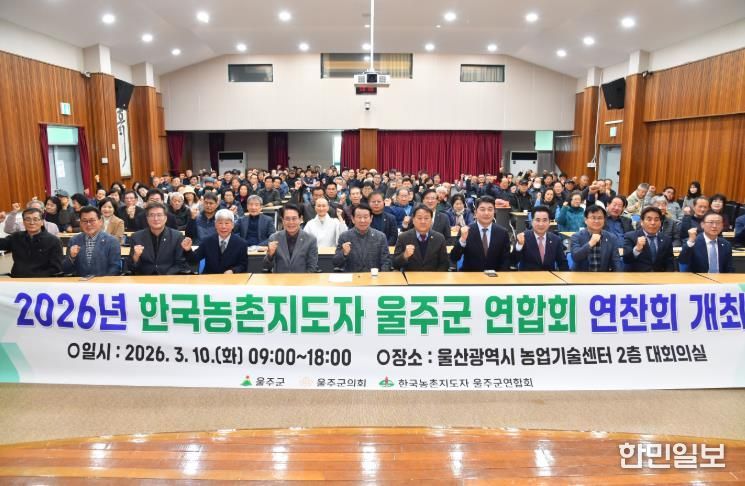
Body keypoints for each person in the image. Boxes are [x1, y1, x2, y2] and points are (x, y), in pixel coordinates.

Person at [449, 196, 511, 272]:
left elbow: (506, 261)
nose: (486, 213)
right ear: (475, 213)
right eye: (482, 209)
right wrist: (462, 240)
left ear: (494, 212)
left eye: (490, 209)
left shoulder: (502, 233)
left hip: (495, 276)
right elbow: (454, 258)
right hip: (470, 275)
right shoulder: (466, 231)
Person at [127, 202, 190, 275]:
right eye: (152, 215)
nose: (156, 219)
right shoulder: (136, 237)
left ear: (165, 218)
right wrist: (136, 257)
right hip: (145, 278)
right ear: (147, 218)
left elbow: (180, 263)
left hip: (169, 277)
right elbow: (130, 267)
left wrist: (165, 277)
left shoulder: (177, 236)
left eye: (159, 215)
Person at [0, 207, 63, 277]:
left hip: (42, 280)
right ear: (23, 222)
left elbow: (56, 269)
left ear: (42, 222)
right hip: (17, 279)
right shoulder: (16, 237)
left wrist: (34, 278)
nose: (31, 223)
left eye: (35, 219)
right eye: (28, 219)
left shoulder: (53, 241)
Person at [181, 209, 248, 274]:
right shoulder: (207, 241)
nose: (223, 227)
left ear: (233, 225)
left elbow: (243, 265)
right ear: (215, 225)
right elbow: (194, 261)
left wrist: (233, 271)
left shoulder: (241, 243)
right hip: (209, 278)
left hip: (231, 279)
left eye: (227, 223)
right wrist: (188, 250)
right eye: (220, 223)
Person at [63, 206, 121, 276]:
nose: (88, 224)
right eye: (84, 221)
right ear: (80, 223)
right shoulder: (74, 240)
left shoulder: (112, 241)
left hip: (103, 281)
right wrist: (71, 257)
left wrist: (104, 281)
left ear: (100, 222)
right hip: (79, 281)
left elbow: (115, 268)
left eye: (92, 220)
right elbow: (66, 270)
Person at [333, 204, 391, 272]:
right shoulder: (344, 236)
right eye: (359, 217)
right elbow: (336, 263)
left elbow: (386, 262)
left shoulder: (380, 237)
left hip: (374, 276)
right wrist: (343, 253)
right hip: (352, 276)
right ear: (353, 219)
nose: (362, 220)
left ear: (371, 218)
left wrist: (382, 276)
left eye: (365, 217)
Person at [263, 204, 319, 273]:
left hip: (302, 279)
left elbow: (312, 267)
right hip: (280, 279)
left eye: (294, 218)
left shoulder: (310, 239)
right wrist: (270, 255)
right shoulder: (274, 238)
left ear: (300, 219)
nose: (291, 222)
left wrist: (303, 279)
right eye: (287, 219)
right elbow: (266, 267)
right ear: (282, 220)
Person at [393, 205, 449, 272]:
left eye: (426, 218)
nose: (423, 221)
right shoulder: (403, 237)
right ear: (413, 220)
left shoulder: (439, 238)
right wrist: (404, 255)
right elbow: (395, 264)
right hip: (410, 277)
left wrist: (435, 277)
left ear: (431, 221)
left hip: (433, 277)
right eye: (419, 218)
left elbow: (444, 264)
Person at [512, 206, 569, 271]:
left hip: (549, 276)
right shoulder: (523, 237)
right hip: (527, 276)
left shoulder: (556, 239)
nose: (541, 224)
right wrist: (519, 245)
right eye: (538, 220)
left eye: (544, 220)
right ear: (532, 222)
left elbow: (563, 263)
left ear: (549, 222)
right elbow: (513, 261)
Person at [570, 205, 623, 272]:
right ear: (585, 220)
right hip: (581, 276)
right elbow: (575, 257)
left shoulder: (612, 238)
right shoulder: (576, 236)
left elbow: (616, 262)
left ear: (604, 220)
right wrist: (590, 244)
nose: (596, 221)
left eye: (600, 218)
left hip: (603, 276)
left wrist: (619, 276)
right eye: (593, 218)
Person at [622, 206, 674, 272]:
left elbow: (670, 262)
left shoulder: (666, 239)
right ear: (641, 222)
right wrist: (637, 249)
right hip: (637, 276)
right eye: (649, 220)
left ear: (660, 223)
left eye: (656, 220)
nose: (653, 223)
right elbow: (626, 260)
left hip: (659, 276)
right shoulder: (630, 236)